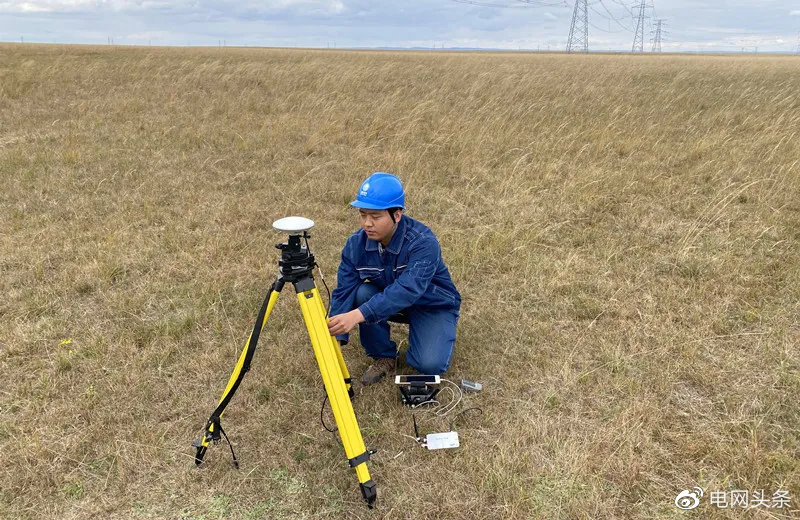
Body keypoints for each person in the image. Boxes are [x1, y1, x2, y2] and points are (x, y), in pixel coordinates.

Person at [327, 172, 462, 385]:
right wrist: (336, 337)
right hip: (390, 302)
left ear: (397, 215)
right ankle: (383, 355)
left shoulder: (423, 242)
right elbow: (344, 290)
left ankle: (435, 330)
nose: (367, 223)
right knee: (362, 292)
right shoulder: (355, 245)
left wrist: (357, 315)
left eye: (375, 216)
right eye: (363, 214)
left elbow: (408, 290)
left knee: (429, 365)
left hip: (432, 304)